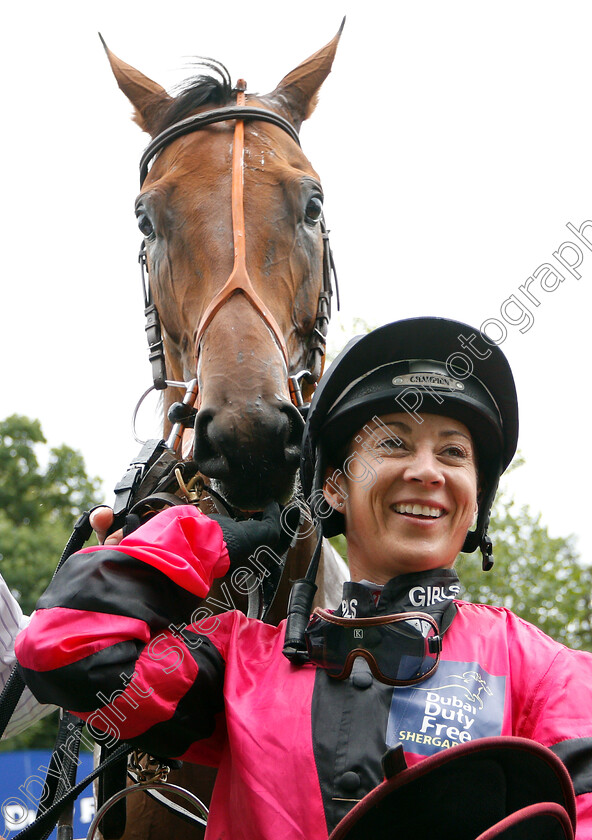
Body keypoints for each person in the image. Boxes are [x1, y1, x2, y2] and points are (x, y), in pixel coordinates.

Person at [13, 317, 592, 838]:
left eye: (453, 453)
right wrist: (221, 538)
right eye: (393, 443)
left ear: (475, 503)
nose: (425, 471)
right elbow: (63, 647)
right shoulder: (240, 663)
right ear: (333, 488)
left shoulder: (543, 672)